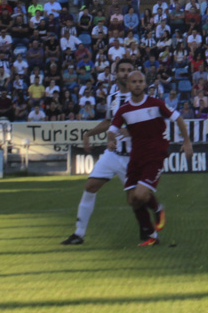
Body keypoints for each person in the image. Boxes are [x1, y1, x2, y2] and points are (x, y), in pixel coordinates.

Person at [83, 69, 192, 246]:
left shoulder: (156, 103)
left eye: (140, 81)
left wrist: (187, 142)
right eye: (134, 82)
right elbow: (112, 129)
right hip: (136, 156)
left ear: (145, 84)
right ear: (128, 85)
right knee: (132, 200)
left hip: (155, 155)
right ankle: (152, 237)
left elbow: (178, 119)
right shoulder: (123, 110)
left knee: (141, 194)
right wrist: (111, 142)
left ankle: (157, 209)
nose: (137, 85)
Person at [63, 60, 159, 245]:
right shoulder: (113, 98)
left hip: (134, 157)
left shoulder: (145, 101)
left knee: (135, 200)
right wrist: (89, 134)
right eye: (122, 70)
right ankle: (79, 234)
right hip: (113, 154)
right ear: (116, 74)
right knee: (90, 186)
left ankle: (150, 231)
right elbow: (109, 121)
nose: (125, 73)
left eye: (129, 70)